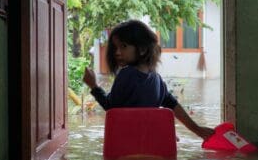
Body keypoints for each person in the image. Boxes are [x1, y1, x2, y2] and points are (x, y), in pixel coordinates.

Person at [82, 19, 214, 140]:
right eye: (115, 47)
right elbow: (173, 105)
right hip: (152, 141)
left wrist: (93, 86)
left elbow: (111, 109)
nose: (117, 52)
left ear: (143, 49)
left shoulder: (126, 75)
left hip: (127, 143)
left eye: (123, 46)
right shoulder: (156, 78)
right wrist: (197, 130)